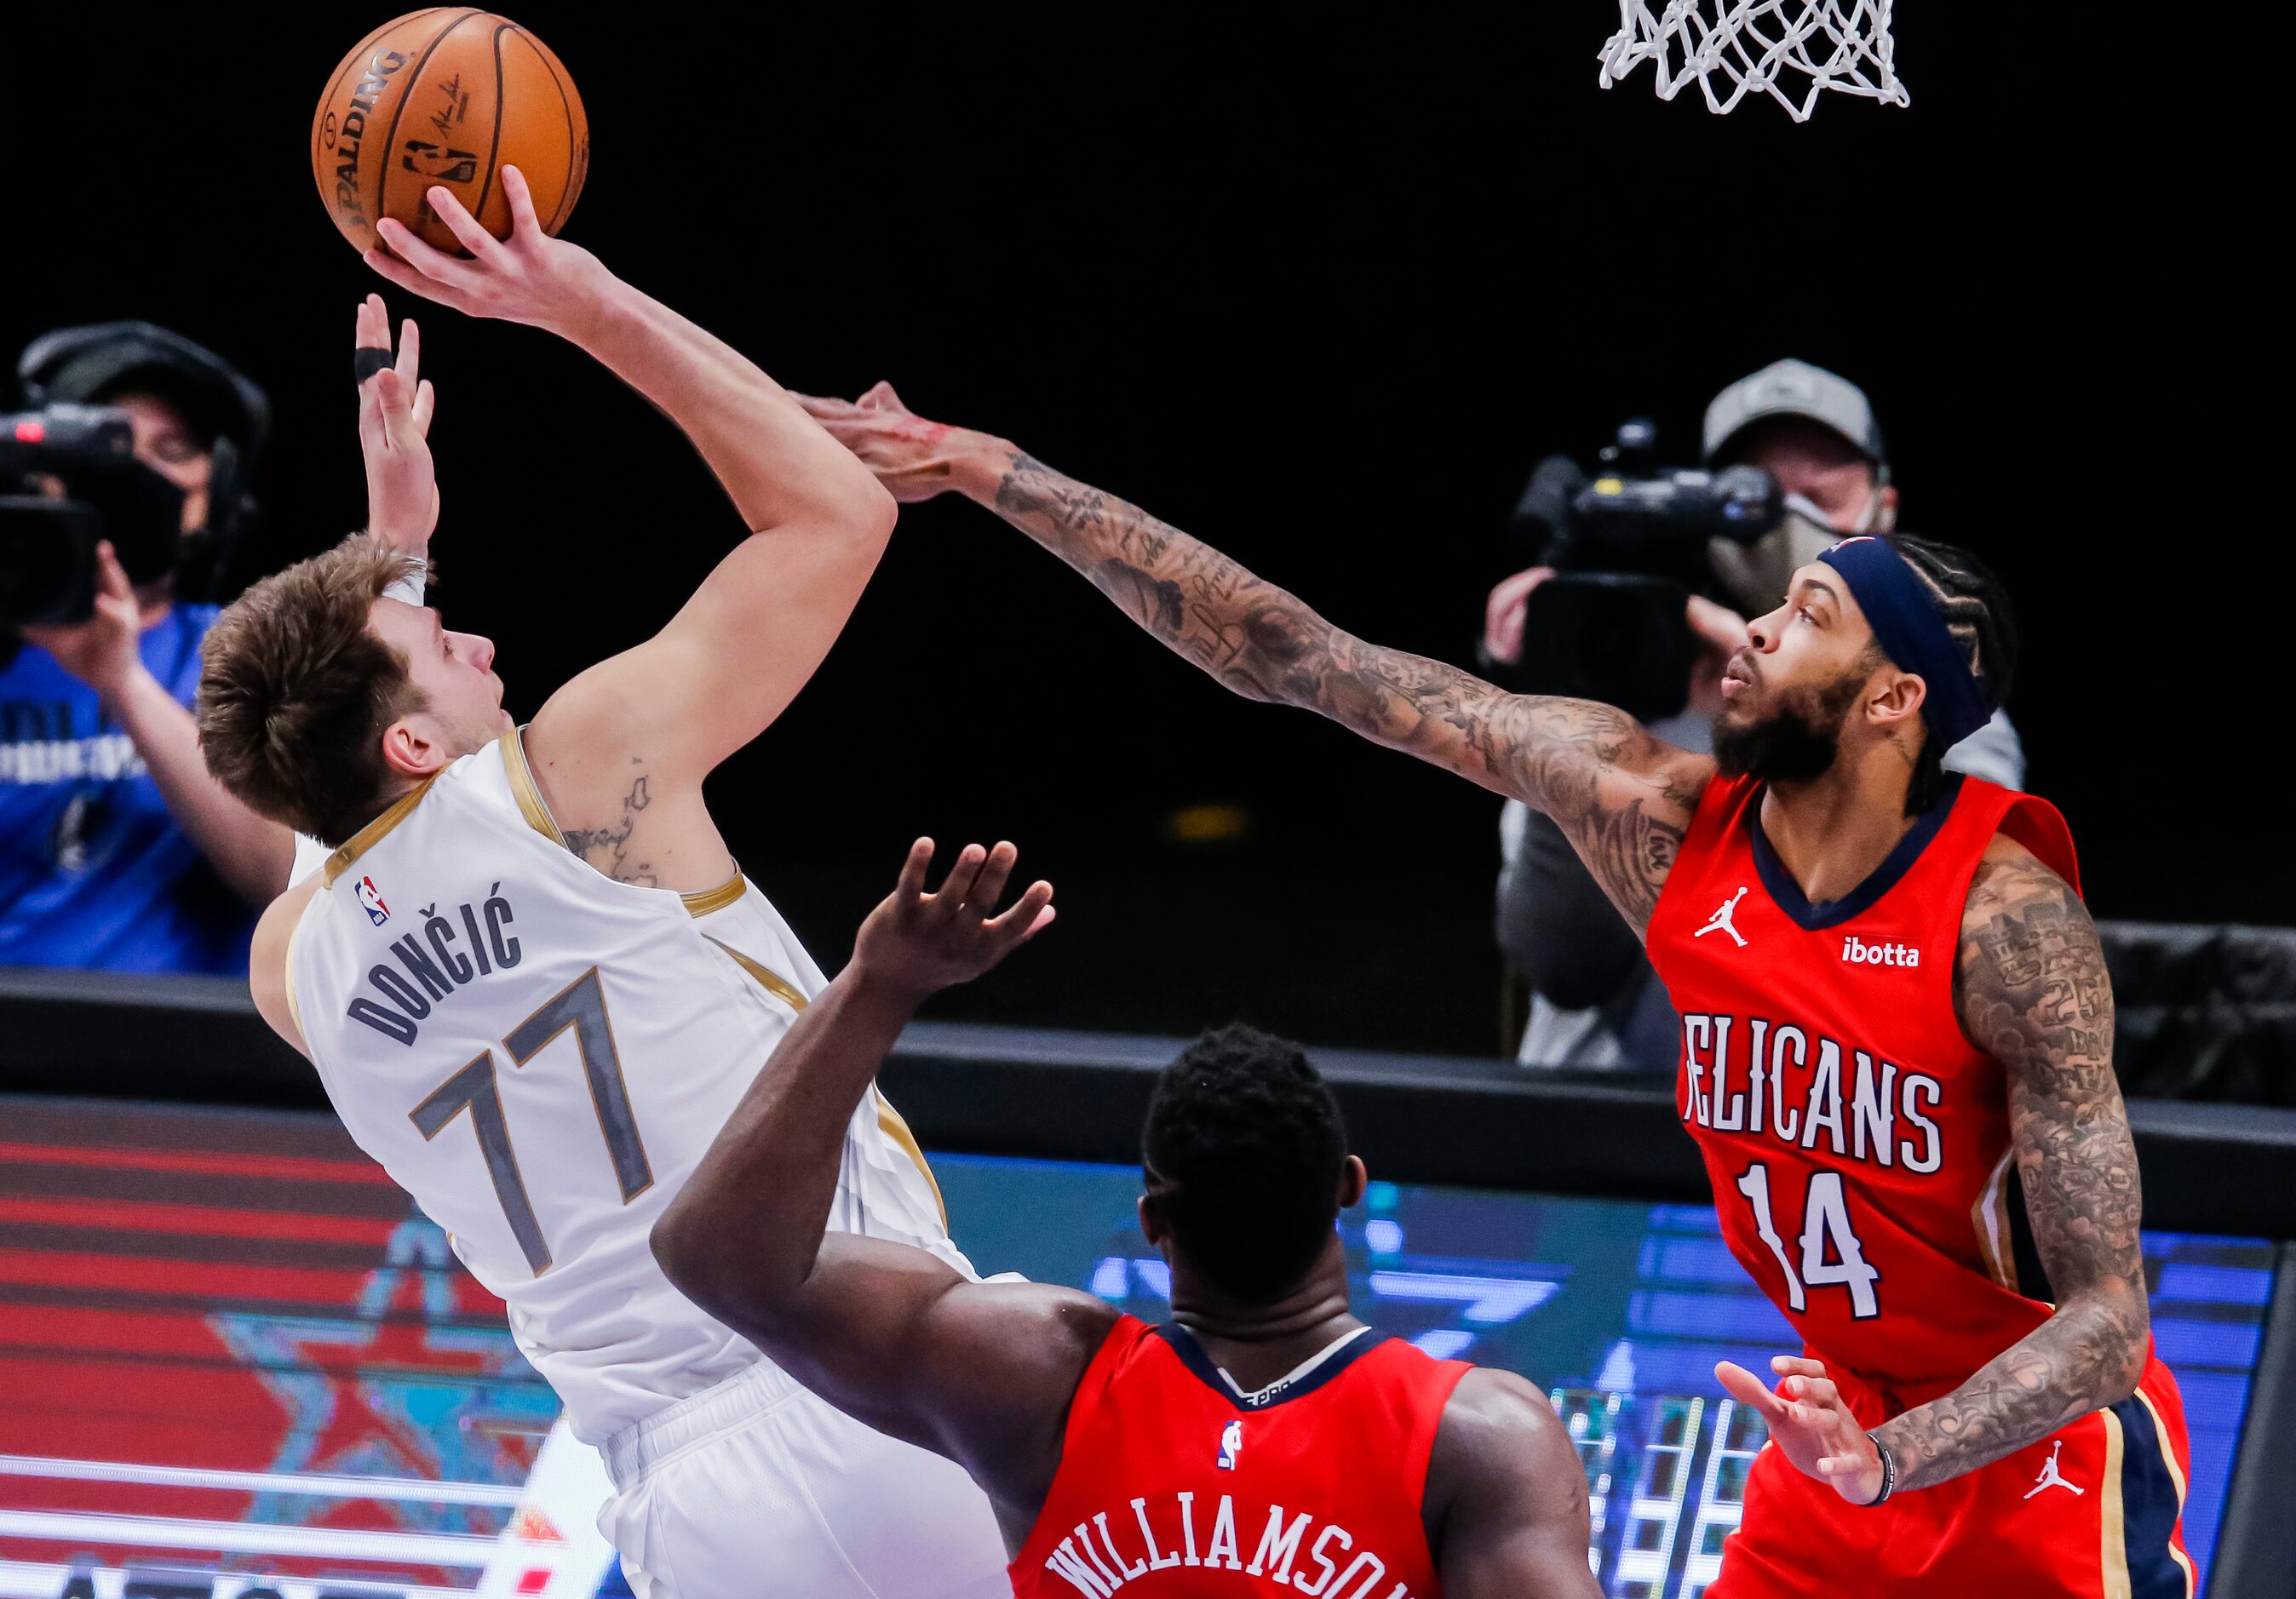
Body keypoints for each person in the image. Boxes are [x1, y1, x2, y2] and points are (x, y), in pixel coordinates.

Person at [798, 382, 2192, 1595]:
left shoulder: (2007, 926)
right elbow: (1301, 659)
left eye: (1805, 614)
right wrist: (983, 468)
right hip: (1829, 1436)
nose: (1754, 631)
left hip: (2032, 1462)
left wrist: (1896, 1455)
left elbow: (2109, 1318)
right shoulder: (1652, 817)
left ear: (1891, 701)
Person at [196, 174, 1007, 1598]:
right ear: (408, 738)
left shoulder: (299, 966)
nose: (482, 641)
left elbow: (325, 808)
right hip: (866, 1375)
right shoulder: (575, 777)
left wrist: (390, 563)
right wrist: (573, 297)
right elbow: (831, 516)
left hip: (675, 1497)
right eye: (443, 638)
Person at [651, 836, 1602, 1598]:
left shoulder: (1035, 1375)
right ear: (1346, 1188)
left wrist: (877, 987)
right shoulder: (1478, 1434)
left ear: (1151, 1221)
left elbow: (720, 1257)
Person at [1484, 358, 2025, 1073]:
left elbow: (1942, 928)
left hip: (1817, 1151)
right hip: (1603, 1132)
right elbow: (1563, 963)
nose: (1789, 523)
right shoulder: (1630, 673)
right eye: (1757, 498)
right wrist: (1566, 704)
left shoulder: (1940, 702)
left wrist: (1783, 694)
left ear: (1884, 511)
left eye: (1819, 498)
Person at [1, 323, 296, 970]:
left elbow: (286, 877)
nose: (135, 473)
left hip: (172, 1054)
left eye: (171, 449)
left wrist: (121, 680)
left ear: (213, 491)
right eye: (107, 445)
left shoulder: (255, 650)